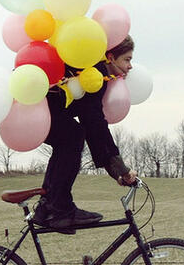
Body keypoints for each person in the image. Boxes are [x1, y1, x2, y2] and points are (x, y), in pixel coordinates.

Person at [32, 35, 138, 233]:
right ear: (111, 57)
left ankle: (47, 207)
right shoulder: (93, 74)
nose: (130, 66)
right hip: (35, 108)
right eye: (127, 59)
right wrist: (120, 170)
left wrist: (116, 171)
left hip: (34, 107)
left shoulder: (88, 67)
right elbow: (95, 124)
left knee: (71, 135)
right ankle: (60, 210)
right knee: (72, 135)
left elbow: (92, 126)